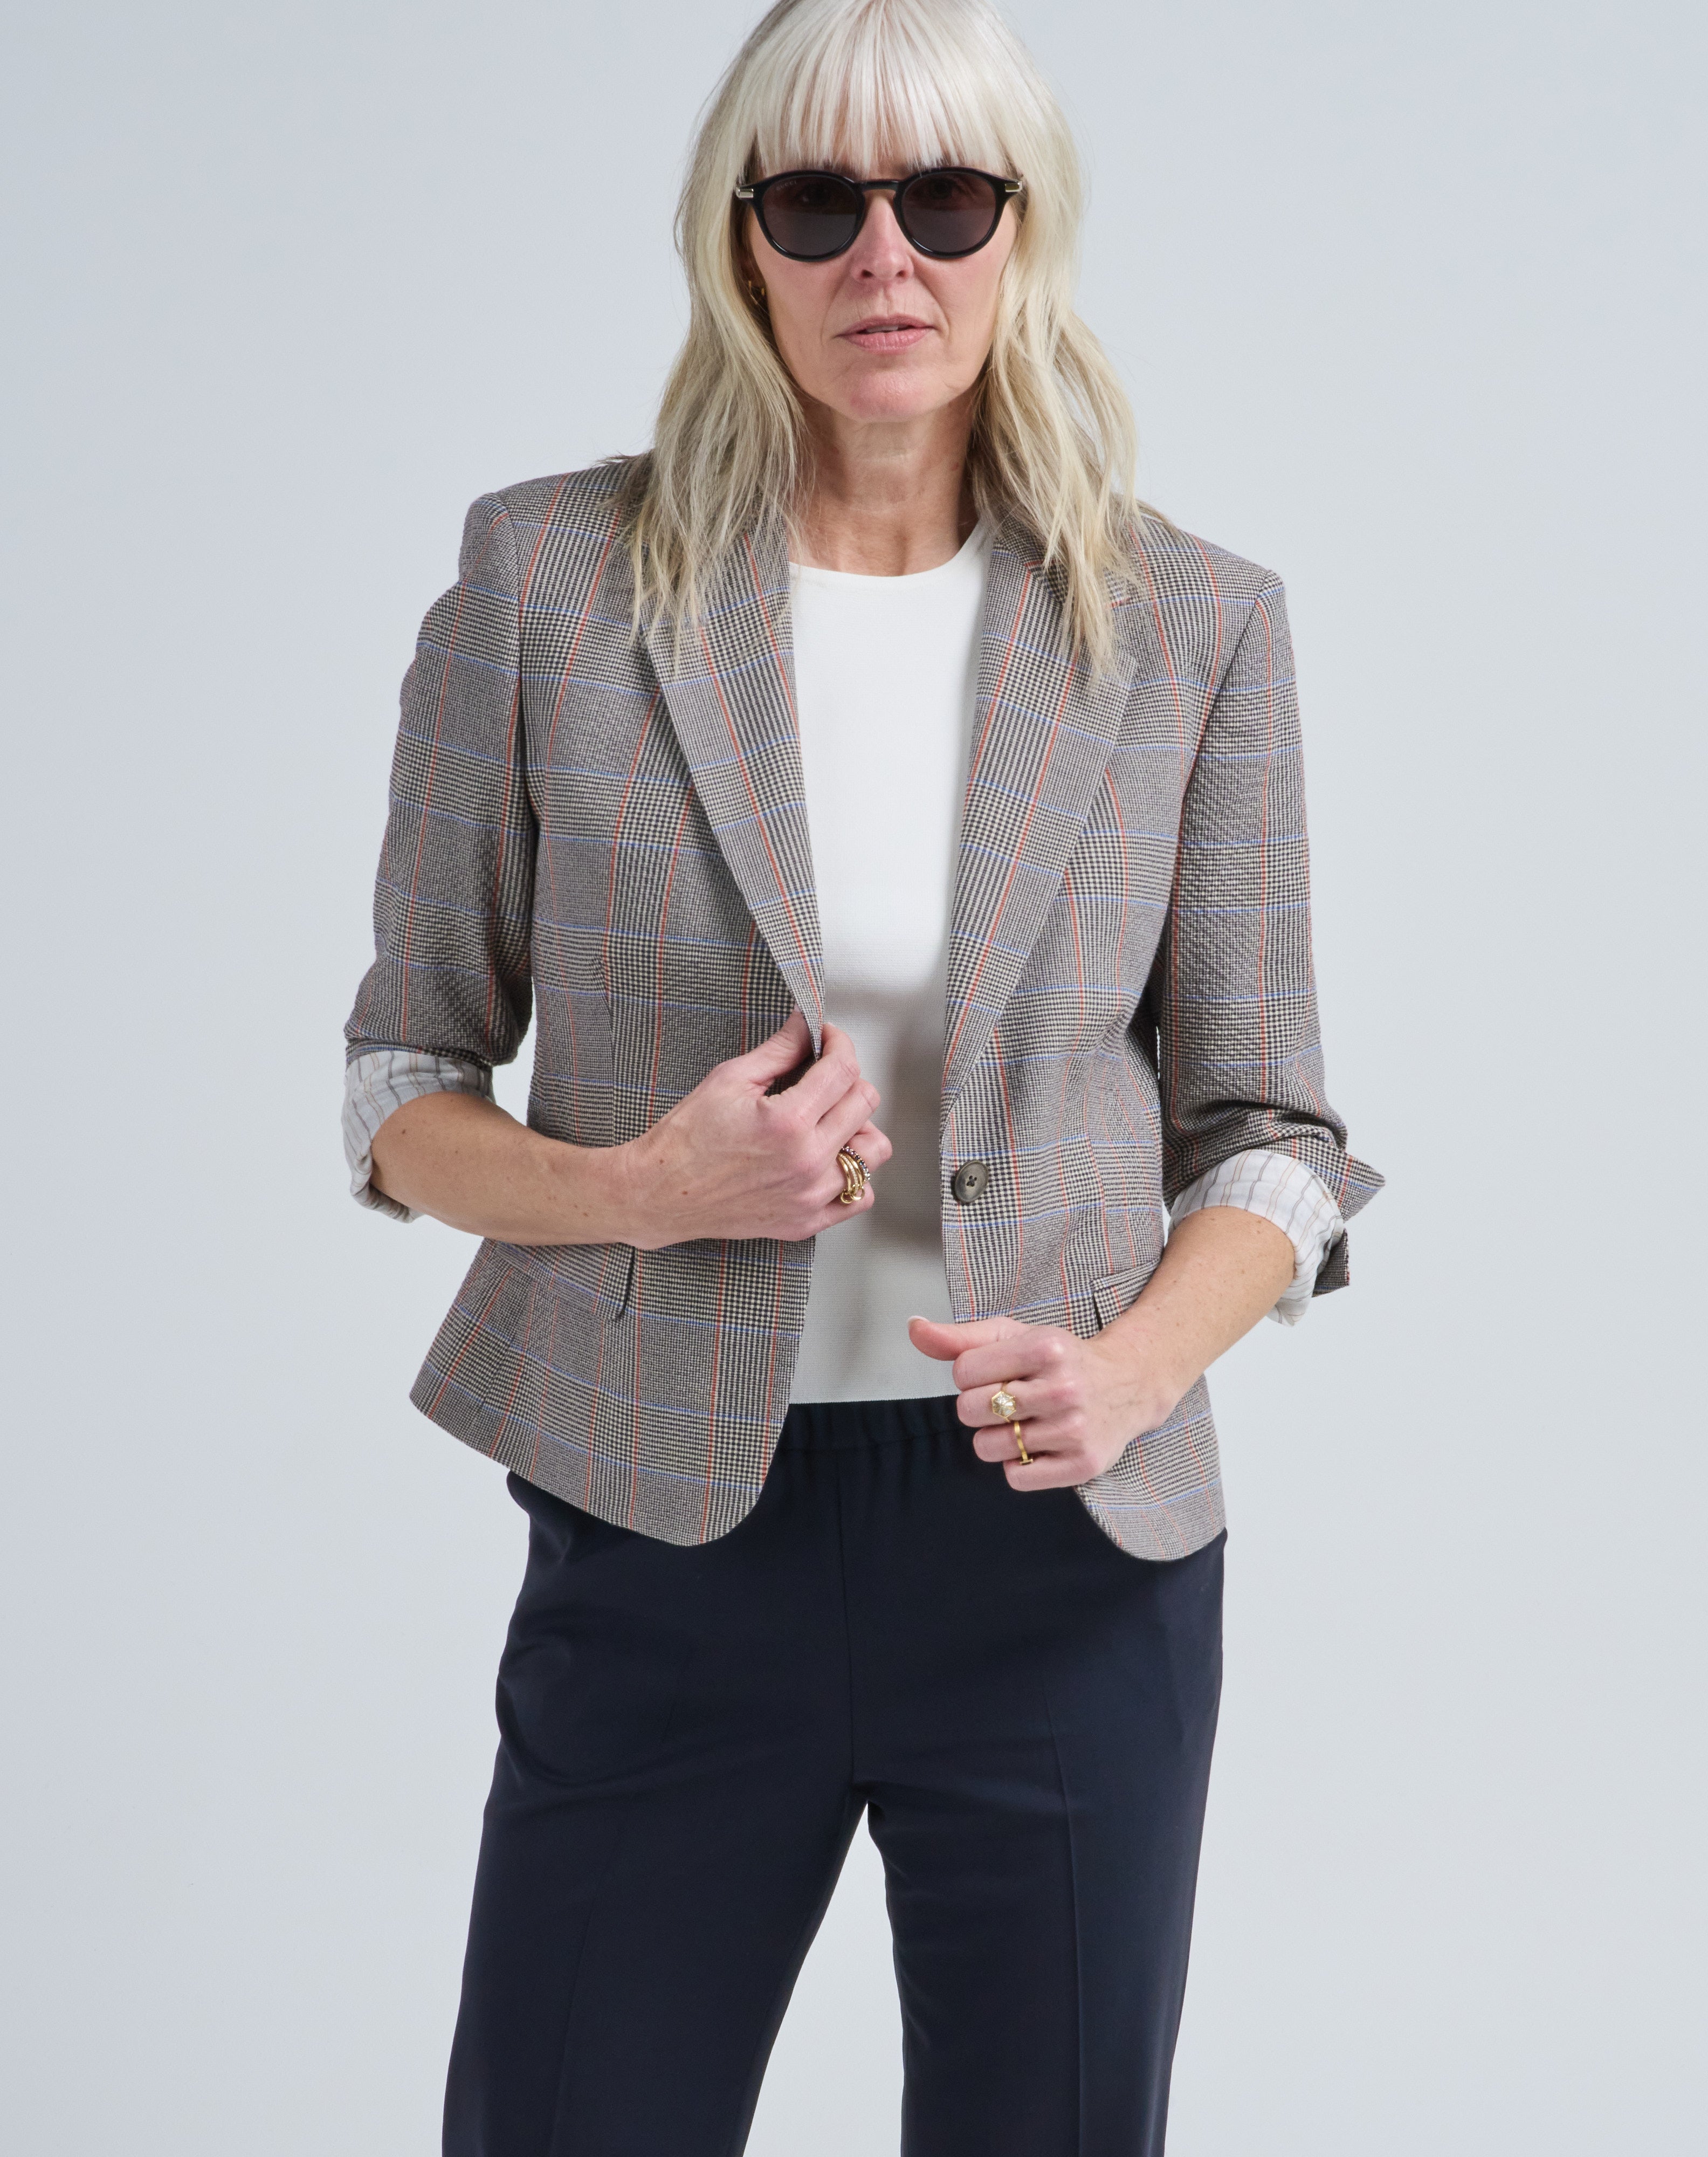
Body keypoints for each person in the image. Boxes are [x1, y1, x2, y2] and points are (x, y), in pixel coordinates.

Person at [342, 1, 1382, 2148]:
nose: (882, 257)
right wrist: (643, 1187)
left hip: (1062, 1557)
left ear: (1024, 229)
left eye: (945, 199)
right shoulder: (549, 583)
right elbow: (399, 1083)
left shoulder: (1190, 625)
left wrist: (1134, 1371)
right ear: (742, 240)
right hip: (664, 1538)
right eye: (817, 201)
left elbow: (1272, 1133)